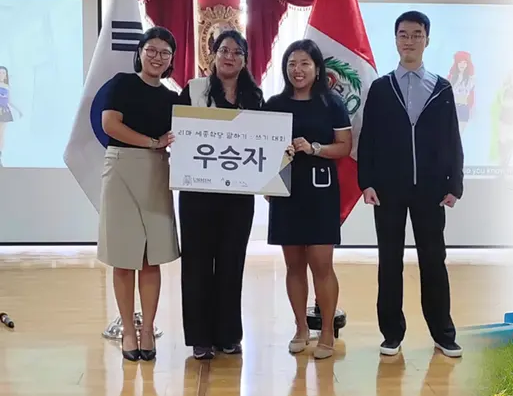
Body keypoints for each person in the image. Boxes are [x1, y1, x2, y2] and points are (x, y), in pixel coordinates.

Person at [357, 10, 465, 358]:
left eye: (416, 34)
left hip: (431, 189)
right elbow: (368, 139)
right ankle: (391, 333)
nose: (409, 41)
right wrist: (366, 182)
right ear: (395, 40)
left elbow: (452, 138)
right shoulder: (381, 88)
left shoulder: (442, 87)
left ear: (427, 40)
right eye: (403, 34)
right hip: (388, 189)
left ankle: (443, 333)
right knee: (389, 262)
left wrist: (455, 183)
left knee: (433, 261)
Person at [177, 30, 264, 360]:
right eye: (224, 50)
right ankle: (200, 337)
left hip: (238, 196)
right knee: (197, 263)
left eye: (237, 52)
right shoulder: (194, 90)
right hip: (197, 193)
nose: (230, 57)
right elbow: (178, 132)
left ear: (245, 60)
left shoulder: (254, 97)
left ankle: (228, 334)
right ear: (213, 55)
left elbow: (266, 142)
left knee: (231, 263)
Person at [265, 39, 353, 360]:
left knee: (321, 264)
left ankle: (326, 331)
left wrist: (314, 148)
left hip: (320, 191)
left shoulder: (332, 103)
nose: (297, 70)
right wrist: (266, 183)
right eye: (291, 63)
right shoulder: (274, 104)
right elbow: (262, 148)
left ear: (317, 69)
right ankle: (301, 328)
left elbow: (344, 146)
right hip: (285, 192)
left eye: (304, 63)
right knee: (293, 265)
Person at [99, 26, 180, 362]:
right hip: (121, 169)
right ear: (140, 52)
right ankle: (128, 332)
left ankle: (147, 329)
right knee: (123, 257)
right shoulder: (122, 83)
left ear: (172, 60)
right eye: (152, 50)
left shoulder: (173, 99)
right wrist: (151, 142)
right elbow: (110, 124)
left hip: (157, 171)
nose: (157, 57)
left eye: (165, 53)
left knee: (150, 257)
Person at [447, 51, 475, 135]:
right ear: (457, 63)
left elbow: (472, 95)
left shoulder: (471, 79)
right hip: (453, 107)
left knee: (459, 134)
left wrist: (471, 109)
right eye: (460, 62)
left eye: (465, 63)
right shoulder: (451, 77)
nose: (462, 65)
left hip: (464, 108)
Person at [0, 65, 22, 166]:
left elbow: (10, 101)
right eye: (0, 73)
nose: (1, 75)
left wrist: (19, 110)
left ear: (6, 76)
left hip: (4, 111)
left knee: (1, 134)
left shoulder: (7, 87)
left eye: (3, 73)